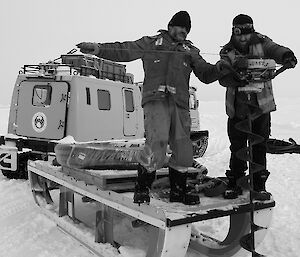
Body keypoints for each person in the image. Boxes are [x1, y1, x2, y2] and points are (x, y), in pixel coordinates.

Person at [77, 11, 226, 205]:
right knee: (157, 143)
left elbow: (205, 74)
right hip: (156, 100)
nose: (183, 32)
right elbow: (125, 50)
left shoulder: (191, 51)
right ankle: (142, 189)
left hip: (180, 105)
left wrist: (220, 68)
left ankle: (178, 192)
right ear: (170, 26)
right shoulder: (151, 43)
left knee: (183, 150)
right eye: (180, 27)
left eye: (186, 29)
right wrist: (99, 49)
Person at [219, 14, 297, 200]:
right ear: (234, 32)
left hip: (260, 108)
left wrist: (286, 55)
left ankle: (259, 185)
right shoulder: (227, 51)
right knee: (237, 147)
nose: (244, 38)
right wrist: (234, 75)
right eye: (240, 34)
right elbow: (222, 75)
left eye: (247, 34)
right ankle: (236, 182)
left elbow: (275, 49)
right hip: (237, 109)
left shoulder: (262, 43)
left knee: (259, 146)